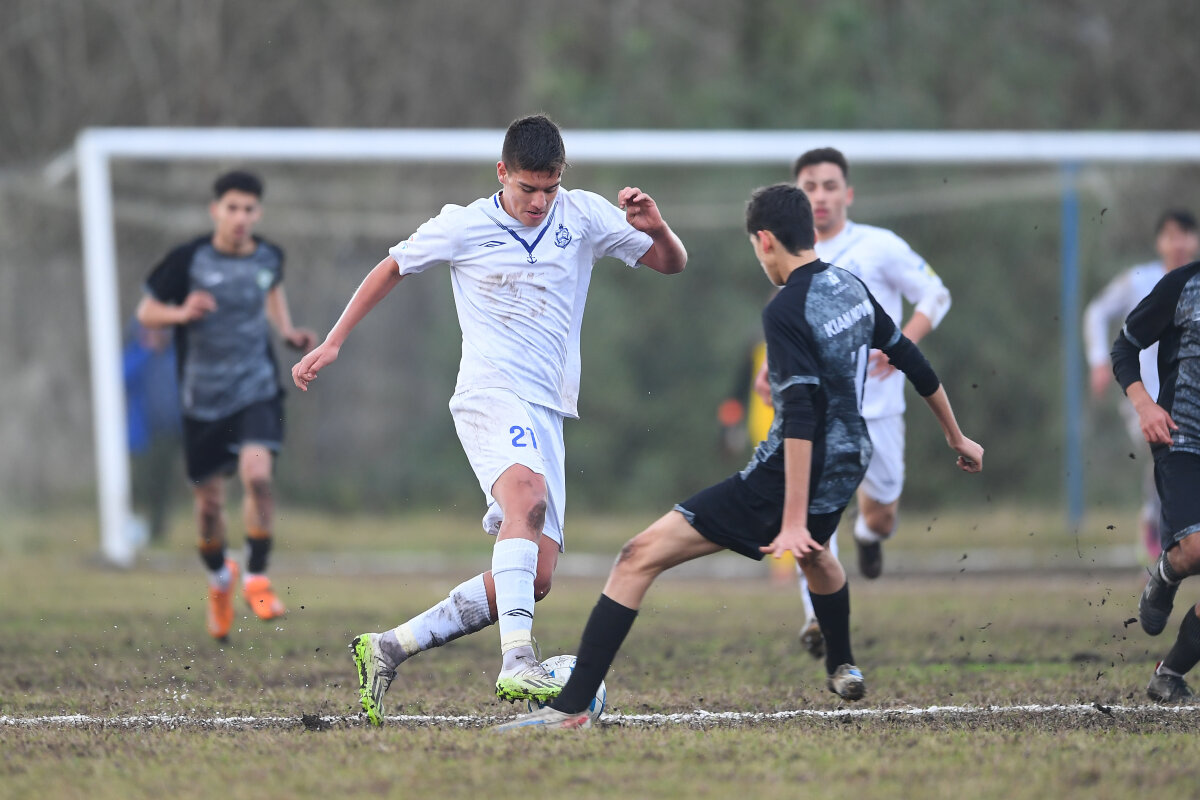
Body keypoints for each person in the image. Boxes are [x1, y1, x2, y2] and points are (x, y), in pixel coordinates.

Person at [495, 184, 983, 731]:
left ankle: (571, 709)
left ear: (766, 240)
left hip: (787, 471)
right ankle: (843, 663)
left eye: (756, 247)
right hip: (850, 457)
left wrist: (790, 519)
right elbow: (910, 357)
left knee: (636, 557)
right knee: (817, 554)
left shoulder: (786, 309)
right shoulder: (849, 286)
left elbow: (801, 416)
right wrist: (956, 436)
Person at [290, 114, 687, 725]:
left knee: (535, 577)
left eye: (550, 187)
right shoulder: (465, 224)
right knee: (525, 497)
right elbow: (392, 266)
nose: (539, 201)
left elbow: (670, 263)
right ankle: (518, 661)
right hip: (489, 393)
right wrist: (335, 340)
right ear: (502, 172)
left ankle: (389, 647)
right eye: (528, 187)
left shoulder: (582, 215)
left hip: (548, 408)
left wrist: (656, 226)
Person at [781, 147, 952, 658]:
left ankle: (868, 535)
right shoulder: (788, 252)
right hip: (817, 410)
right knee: (812, 513)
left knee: (881, 517)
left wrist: (902, 345)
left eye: (829, 186)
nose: (820, 196)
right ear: (797, 196)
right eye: (809, 186)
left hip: (878, 410)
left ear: (848, 194)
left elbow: (936, 294)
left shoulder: (880, 246)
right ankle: (816, 615)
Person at [136, 170, 317, 641]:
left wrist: (286, 332)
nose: (240, 217)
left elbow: (270, 291)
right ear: (216, 210)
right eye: (231, 208)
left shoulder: (268, 256)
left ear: (258, 213)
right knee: (210, 506)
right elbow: (147, 311)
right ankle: (220, 579)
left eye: (248, 209)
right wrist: (180, 312)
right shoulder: (189, 259)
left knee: (257, 476)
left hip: (256, 389)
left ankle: (256, 576)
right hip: (202, 399)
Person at [1083, 210, 1200, 563]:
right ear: (1158, 242)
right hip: (1146, 396)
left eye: (1185, 234)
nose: (1178, 243)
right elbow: (1097, 312)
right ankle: (1155, 532)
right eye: (1170, 235)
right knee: (1161, 455)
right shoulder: (1141, 280)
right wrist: (1098, 360)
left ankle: (1165, 536)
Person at [1113, 253, 1200, 703]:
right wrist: (1145, 405)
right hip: (1181, 437)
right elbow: (1124, 348)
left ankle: (1169, 674)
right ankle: (1168, 571)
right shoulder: (1182, 286)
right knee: (1197, 549)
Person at [122, 318, 182, 543]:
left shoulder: (175, 355)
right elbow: (121, 377)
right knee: (139, 484)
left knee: (162, 485)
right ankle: (133, 529)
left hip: (169, 432)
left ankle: (157, 532)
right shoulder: (137, 354)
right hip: (142, 435)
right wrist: (146, 350)